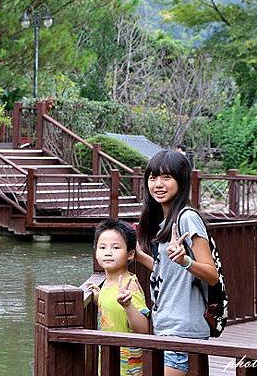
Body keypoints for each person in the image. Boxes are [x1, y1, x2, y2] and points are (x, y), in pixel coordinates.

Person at [134, 150, 219, 375]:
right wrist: (139, 256)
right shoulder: (165, 224)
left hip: (182, 331)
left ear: (181, 181)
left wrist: (186, 261)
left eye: (166, 177)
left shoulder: (187, 218)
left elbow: (212, 274)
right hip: (166, 328)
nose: (158, 184)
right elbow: (169, 272)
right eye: (153, 178)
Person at [87, 219, 150, 375]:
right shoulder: (107, 283)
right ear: (96, 252)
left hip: (127, 366)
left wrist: (128, 304)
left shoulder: (130, 285)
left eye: (115, 247)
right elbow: (112, 308)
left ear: (130, 254)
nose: (108, 252)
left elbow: (143, 329)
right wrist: (97, 297)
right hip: (109, 359)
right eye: (102, 247)